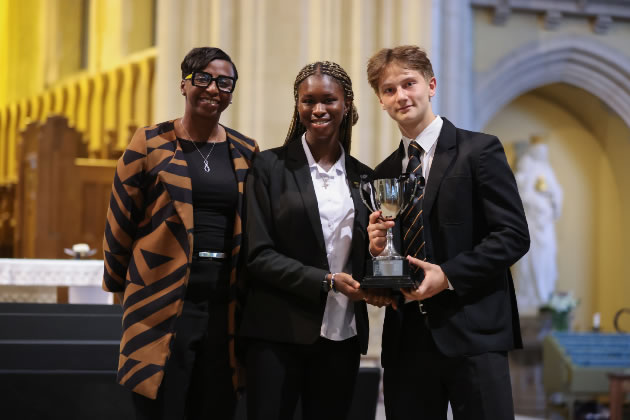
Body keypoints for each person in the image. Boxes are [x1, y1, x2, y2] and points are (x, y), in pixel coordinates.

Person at [365, 45, 530, 419]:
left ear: (431, 85)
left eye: (409, 83)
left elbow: (513, 235)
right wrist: (376, 249)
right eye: (390, 90)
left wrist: (448, 276)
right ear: (380, 100)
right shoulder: (384, 172)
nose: (401, 96)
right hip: (407, 342)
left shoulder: (479, 151)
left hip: (474, 332)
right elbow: (388, 257)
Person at [102, 47, 258, 419]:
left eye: (224, 82)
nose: (213, 88)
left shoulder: (246, 150)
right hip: (161, 296)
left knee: (216, 403)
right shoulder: (150, 142)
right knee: (162, 404)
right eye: (202, 78)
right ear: (184, 85)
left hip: (224, 301)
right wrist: (117, 284)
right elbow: (120, 219)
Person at [240, 61, 372, 420]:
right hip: (277, 332)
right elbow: (258, 255)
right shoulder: (269, 167)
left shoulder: (365, 178)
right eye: (307, 100)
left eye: (328, 100)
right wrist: (326, 281)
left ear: (346, 105)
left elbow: (370, 254)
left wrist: (377, 267)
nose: (318, 109)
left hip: (342, 334)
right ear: (297, 106)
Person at [513, 136, 563, 314]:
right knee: (526, 261)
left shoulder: (547, 171)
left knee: (546, 261)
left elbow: (557, 196)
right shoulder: (525, 168)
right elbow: (519, 194)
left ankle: (543, 296)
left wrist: (549, 194)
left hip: (545, 226)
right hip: (529, 224)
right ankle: (526, 296)